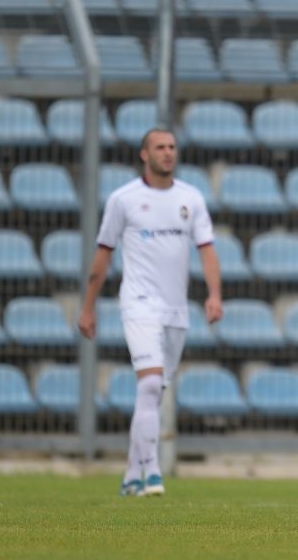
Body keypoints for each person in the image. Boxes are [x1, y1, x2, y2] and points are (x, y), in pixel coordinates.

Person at [78, 128, 223, 497]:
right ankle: (152, 472)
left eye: (172, 147)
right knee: (149, 383)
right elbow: (102, 255)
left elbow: (207, 250)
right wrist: (88, 307)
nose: (168, 152)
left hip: (176, 310)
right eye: (160, 147)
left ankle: (131, 475)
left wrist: (214, 295)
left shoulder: (191, 198)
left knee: (153, 392)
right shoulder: (123, 200)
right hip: (138, 303)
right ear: (144, 154)